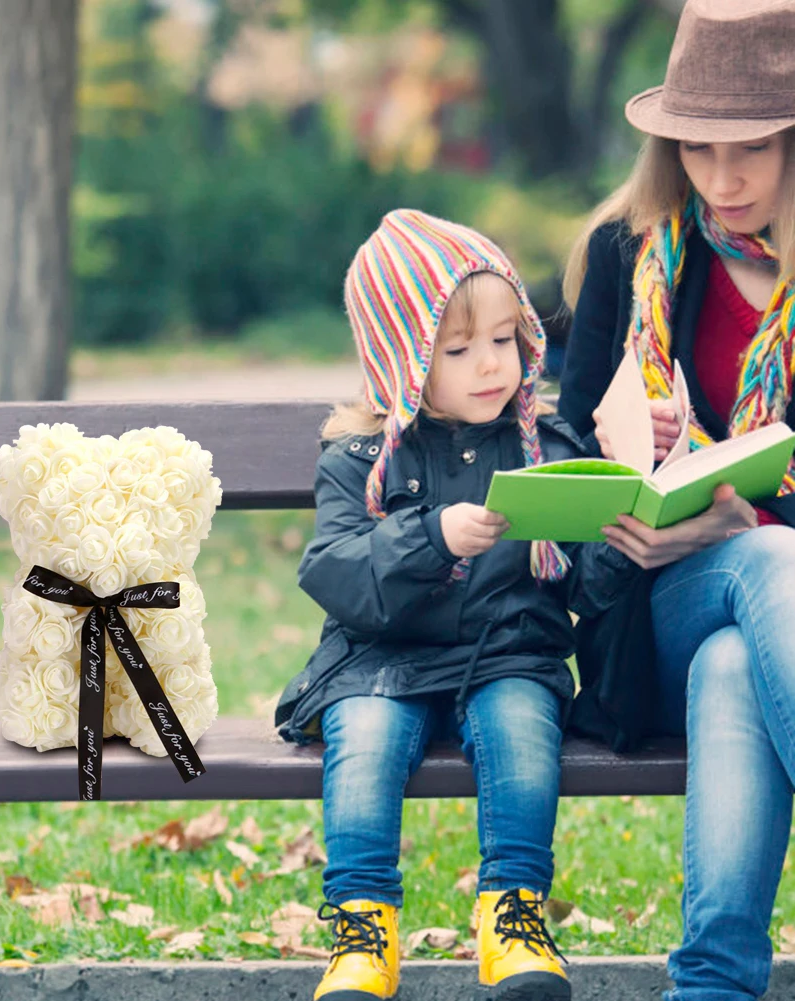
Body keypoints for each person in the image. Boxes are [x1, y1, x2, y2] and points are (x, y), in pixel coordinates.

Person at [275, 208, 638, 1001]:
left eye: (504, 340)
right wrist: (432, 536)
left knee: (518, 725)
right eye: (459, 347)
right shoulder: (359, 458)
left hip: (507, 653)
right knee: (363, 737)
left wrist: (612, 532)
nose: (490, 365)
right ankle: (360, 925)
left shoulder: (546, 448)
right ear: (403, 357)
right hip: (381, 661)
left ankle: (513, 912)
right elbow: (334, 569)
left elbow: (581, 583)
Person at [559, 2, 795, 999]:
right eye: (694, 147)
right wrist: (628, 483)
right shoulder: (629, 251)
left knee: (742, 648)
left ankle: (708, 986)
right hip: (647, 607)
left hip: (756, 634)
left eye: (749, 148)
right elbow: (562, 452)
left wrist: (740, 513)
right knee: (770, 560)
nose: (720, 177)